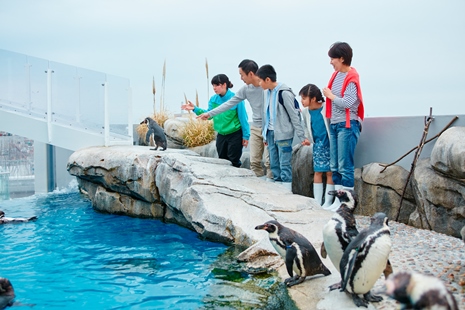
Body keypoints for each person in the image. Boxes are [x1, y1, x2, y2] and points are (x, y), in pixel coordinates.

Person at [198, 60, 273, 181]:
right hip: (255, 127)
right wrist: (208, 114)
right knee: (254, 162)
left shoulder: (266, 87)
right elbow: (228, 104)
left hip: (269, 128)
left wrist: (246, 135)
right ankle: (260, 188)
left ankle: (274, 189)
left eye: (242, 74)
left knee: (270, 162)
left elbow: (243, 117)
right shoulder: (245, 90)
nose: (241, 78)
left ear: (250, 74)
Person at [323, 42, 364, 210]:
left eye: (333, 58)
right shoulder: (336, 75)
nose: (331, 62)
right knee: (335, 166)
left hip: (347, 125)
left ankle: (347, 204)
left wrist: (331, 96)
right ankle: (338, 202)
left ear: (342, 58)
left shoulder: (351, 77)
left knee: (345, 166)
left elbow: (348, 102)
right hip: (335, 124)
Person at [256, 64, 309, 190]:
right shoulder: (265, 93)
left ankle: (287, 192)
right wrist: (265, 135)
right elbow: (265, 114)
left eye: (260, 81)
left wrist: (302, 136)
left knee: (285, 164)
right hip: (270, 133)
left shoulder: (284, 93)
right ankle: (279, 193)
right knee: (274, 165)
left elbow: (295, 115)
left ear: (267, 79)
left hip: (283, 134)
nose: (259, 84)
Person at [182, 74, 250, 168]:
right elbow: (208, 115)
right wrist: (195, 108)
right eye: (213, 85)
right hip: (221, 135)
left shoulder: (235, 98)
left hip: (235, 134)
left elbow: (243, 117)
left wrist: (246, 135)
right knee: (222, 161)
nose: (214, 88)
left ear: (224, 85)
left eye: (217, 85)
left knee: (234, 161)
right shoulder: (213, 100)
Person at [299, 84, 334, 208]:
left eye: (304, 98)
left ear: (313, 98)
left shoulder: (325, 108)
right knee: (318, 172)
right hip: (317, 146)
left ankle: (328, 202)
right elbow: (306, 127)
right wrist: (307, 139)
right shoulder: (305, 112)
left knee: (330, 173)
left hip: (329, 144)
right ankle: (318, 202)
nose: (302, 101)